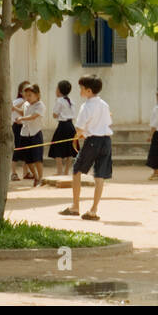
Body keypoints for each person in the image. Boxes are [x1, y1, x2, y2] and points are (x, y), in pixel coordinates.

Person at [60, 75, 113, 221]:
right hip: (106, 141)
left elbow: (79, 127)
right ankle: (93, 210)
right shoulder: (104, 104)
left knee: (76, 171)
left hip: (92, 142)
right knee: (100, 176)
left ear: (88, 91)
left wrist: (79, 135)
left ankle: (75, 206)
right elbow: (108, 122)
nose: (80, 91)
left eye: (81, 88)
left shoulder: (86, 106)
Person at [12, 82, 45, 189]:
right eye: (26, 95)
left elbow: (33, 116)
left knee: (37, 159)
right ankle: (35, 177)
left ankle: (40, 178)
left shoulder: (40, 105)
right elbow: (24, 113)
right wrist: (16, 110)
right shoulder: (26, 104)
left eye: (30, 95)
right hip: (25, 133)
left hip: (35, 134)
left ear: (37, 95)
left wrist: (21, 119)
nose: (27, 98)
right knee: (28, 159)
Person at [47, 80, 77, 177]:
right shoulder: (71, 100)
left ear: (59, 90)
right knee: (70, 148)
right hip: (71, 125)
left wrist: (56, 114)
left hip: (63, 126)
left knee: (57, 147)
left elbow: (55, 114)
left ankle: (59, 171)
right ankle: (66, 171)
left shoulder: (59, 100)